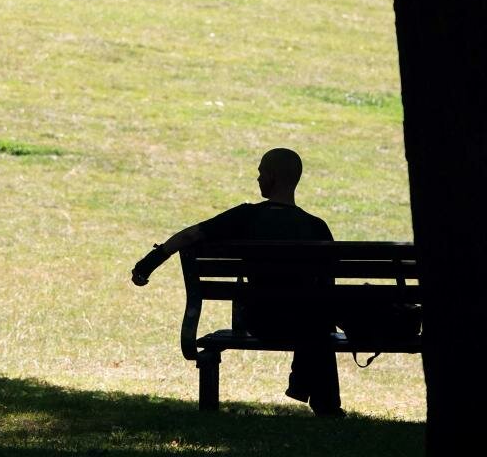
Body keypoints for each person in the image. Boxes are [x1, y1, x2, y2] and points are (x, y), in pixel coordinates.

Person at [131, 147, 345, 417]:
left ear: (272, 176)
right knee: (315, 321)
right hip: (306, 324)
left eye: (260, 172)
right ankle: (326, 405)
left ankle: (311, 394)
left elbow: (190, 236)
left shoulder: (246, 216)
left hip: (261, 319)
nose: (257, 179)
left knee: (310, 320)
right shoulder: (317, 226)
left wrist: (149, 263)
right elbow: (328, 284)